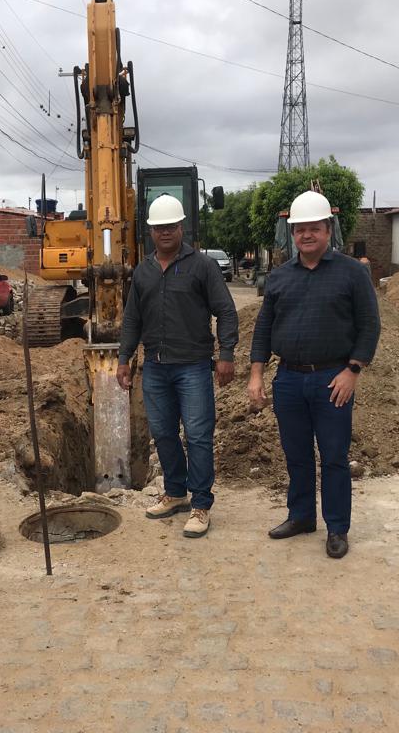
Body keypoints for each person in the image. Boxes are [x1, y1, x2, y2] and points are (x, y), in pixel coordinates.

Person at [247, 190, 380, 559]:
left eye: (314, 228)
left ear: (328, 230)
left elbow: (370, 326)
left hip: (332, 380)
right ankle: (302, 516)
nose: (306, 235)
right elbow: (263, 329)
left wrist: (353, 371)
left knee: (334, 456)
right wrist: (257, 375)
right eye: (299, 229)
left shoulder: (352, 273)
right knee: (297, 455)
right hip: (288, 379)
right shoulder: (278, 278)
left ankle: (337, 527)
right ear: (293, 233)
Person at [117, 194, 238, 539]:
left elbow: (226, 311)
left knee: (198, 435)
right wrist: (124, 359)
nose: (165, 232)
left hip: (194, 367)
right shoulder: (143, 271)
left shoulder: (202, 266)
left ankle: (201, 504)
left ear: (181, 227)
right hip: (155, 367)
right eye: (159, 227)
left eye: (171, 226)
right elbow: (131, 320)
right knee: (164, 433)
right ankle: (175, 493)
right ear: (150, 232)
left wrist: (226, 353)